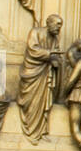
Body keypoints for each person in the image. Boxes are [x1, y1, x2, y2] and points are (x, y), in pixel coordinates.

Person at [17, 14, 63, 144]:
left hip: (45, 72)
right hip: (32, 72)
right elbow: (33, 49)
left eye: (61, 25)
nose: (59, 28)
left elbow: (56, 51)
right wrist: (50, 54)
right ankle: (31, 132)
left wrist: (56, 61)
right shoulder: (35, 32)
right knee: (32, 101)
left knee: (43, 101)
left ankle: (41, 131)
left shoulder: (54, 38)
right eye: (57, 24)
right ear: (49, 23)